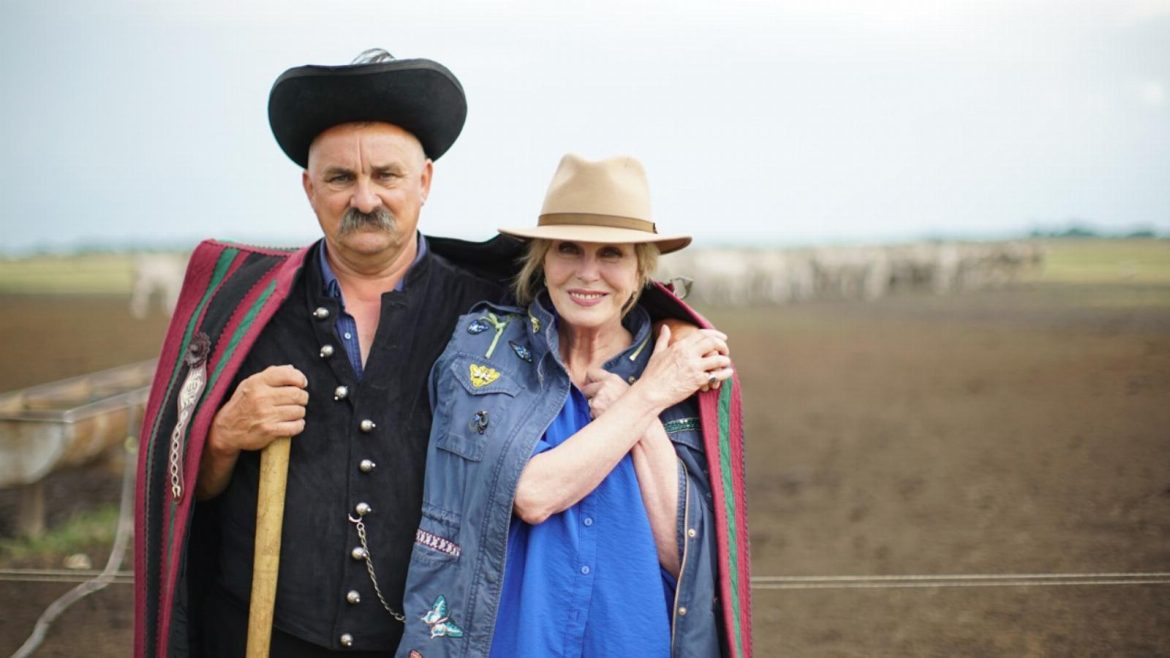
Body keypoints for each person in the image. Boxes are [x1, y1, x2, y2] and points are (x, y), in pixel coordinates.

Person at [394, 154, 741, 658]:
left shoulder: (680, 371)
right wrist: (646, 398)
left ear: (641, 269)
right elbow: (533, 494)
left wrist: (644, 415)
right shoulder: (484, 352)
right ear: (542, 259)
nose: (587, 272)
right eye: (568, 249)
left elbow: (683, 557)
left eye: (612, 253)